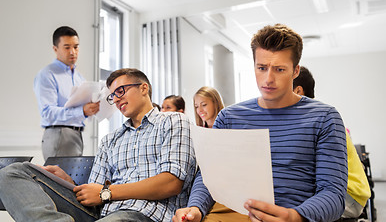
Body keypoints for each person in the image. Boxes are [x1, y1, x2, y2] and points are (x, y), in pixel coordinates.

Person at [173, 24, 347, 222]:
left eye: (279, 69)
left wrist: (294, 216)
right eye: (262, 68)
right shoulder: (229, 117)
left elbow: (333, 194)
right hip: (234, 215)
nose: (268, 79)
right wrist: (195, 208)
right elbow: (209, 178)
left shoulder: (324, 118)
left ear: (295, 71)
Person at [0, 68, 196, 221]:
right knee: (13, 172)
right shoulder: (110, 140)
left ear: (144, 88)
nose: (116, 99)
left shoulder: (173, 121)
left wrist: (106, 193)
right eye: (112, 96)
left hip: (143, 214)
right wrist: (69, 183)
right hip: (100, 213)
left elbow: (171, 183)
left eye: (121, 91)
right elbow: (95, 193)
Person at [293, 65, 371, 219]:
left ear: (298, 91)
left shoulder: (317, 118)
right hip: (345, 190)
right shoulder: (312, 115)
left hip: (349, 194)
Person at [34, 26, 100, 161]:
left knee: (72, 181)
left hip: (77, 135)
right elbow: (47, 112)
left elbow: (81, 110)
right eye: (67, 47)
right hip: (58, 134)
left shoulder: (79, 77)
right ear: (55, 49)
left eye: (76, 47)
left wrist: (91, 108)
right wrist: (82, 111)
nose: (73, 52)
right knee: (58, 181)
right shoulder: (47, 74)